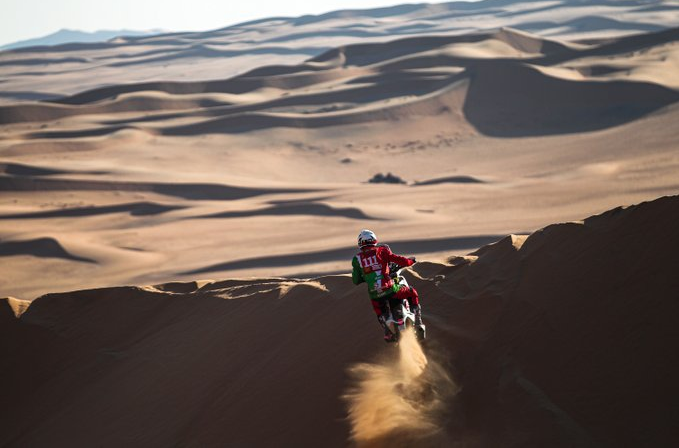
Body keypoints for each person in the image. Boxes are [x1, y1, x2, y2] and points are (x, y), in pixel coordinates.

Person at [351, 229, 424, 342]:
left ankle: (387, 332)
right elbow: (400, 260)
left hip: (375, 295)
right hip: (391, 289)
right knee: (412, 292)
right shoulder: (382, 251)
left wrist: (365, 278)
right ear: (374, 240)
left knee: (379, 310)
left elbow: (355, 280)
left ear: (360, 243)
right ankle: (419, 322)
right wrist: (410, 261)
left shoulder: (357, 259)